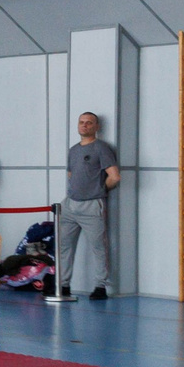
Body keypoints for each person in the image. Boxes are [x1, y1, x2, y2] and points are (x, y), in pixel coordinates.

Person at [61, 112, 119, 300]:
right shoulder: (73, 150)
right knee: (64, 246)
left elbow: (114, 176)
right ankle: (63, 285)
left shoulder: (101, 148)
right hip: (70, 205)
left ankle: (100, 286)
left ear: (96, 127)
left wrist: (99, 190)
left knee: (98, 247)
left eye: (89, 123)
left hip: (92, 206)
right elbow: (71, 175)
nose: (84, 126)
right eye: (81, 122)